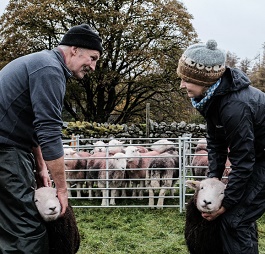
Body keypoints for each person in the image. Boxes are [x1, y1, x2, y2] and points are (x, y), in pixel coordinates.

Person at [0, 24, 102, 253]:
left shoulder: (42, 63)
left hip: (10, 149)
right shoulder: (50, 70)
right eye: (92, 58)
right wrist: (63, 191)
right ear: (74, 50)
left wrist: (40, 167)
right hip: (6, 153)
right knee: (26, 230)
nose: (94, 67)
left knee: (8, 225)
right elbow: (48, 131)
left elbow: (32, 124)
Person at [177, 39, 265, 254]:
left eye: (186, 79)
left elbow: (243, 159)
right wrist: (212, 180)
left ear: (203, 79)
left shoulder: (235, 106)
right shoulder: (213, 99)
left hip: (261, 159)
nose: (181, 85)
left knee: (235, 220)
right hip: (258, 157)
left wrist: (227, 203)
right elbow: (216, 143)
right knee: (237, 221)